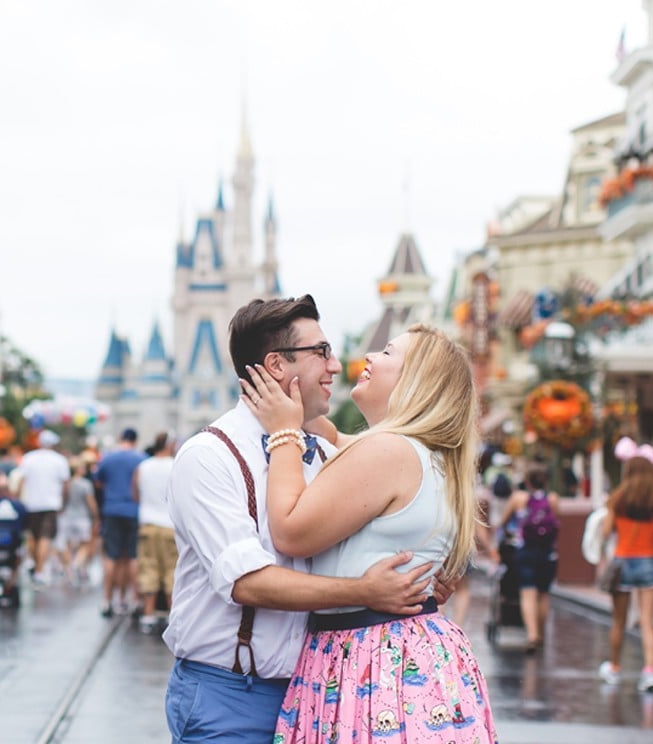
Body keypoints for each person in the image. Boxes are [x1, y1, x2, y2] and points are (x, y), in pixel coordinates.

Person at [164, 297, 455, 743]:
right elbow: (248, 583)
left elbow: (385, 525)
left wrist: (425, 575)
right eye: (321, 352)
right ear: (277, 364)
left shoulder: (321, 453)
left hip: (318, 692)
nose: (336, 366)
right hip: (233, 694)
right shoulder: (210, 456)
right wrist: (366, 591)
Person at [240, 320, 494, 743]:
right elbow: (344, 444)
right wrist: (305, 414)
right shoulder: (428, 455)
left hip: (372, 658)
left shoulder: (388, 451)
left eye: (389, 352)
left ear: (418, 383)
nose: (370, 357)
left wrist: (284, 433)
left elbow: (290, 531)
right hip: (410, 655)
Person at [597, 453, 653, 692]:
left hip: (622, 560)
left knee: (619, 620)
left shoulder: (619, 497)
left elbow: (606, 532)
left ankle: (615, 668)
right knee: (647, 621)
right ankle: (649, 672)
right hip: (648, 560)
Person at [495, 464, 560, 654]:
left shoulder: (518, 499)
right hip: (547, 553)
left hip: (525, 552)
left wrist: (508, 533)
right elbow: (556, 523)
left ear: (527, 481)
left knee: (527, 593)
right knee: (543, 594)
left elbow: (503, 522)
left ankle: (532, 635)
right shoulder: (553, 499)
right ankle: (540, 634)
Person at [95, 428, 147, 616]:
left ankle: (107, 600)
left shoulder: (107, 458)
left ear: (120, 438)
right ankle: (133, 600)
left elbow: (98, 482)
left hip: (112, 510)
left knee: (112, 557)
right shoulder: (141, 460)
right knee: (132, 557)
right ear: (135, 440)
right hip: (134, 511)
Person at [133, 432, 177, 633]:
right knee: (172, 570)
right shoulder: (176, 464)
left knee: (148, 568)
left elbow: (135, 493)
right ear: (170, 445)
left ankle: (148, 614)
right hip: (170, 524)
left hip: (148, 523)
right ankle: (172, 614)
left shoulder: (144, 466)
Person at [16, 430, 69, 583]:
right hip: (50, 504)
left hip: (30, 503)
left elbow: (21, 480)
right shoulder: (59, 460)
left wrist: (18, 501)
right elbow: (65, 485)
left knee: (33, 536)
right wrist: (63, 503)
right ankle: (39, 570)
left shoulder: (28, 458)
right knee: (45, 537)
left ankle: (35, 563)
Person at [57, 455, 98, 587]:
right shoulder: (85, 484)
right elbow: (90, 502)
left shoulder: (66, 484)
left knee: (67, 545)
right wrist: (96, 515)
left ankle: (69, 568)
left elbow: (62, 500)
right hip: (82, 517)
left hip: (67, 516)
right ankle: (76, 564)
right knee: (85, 544)